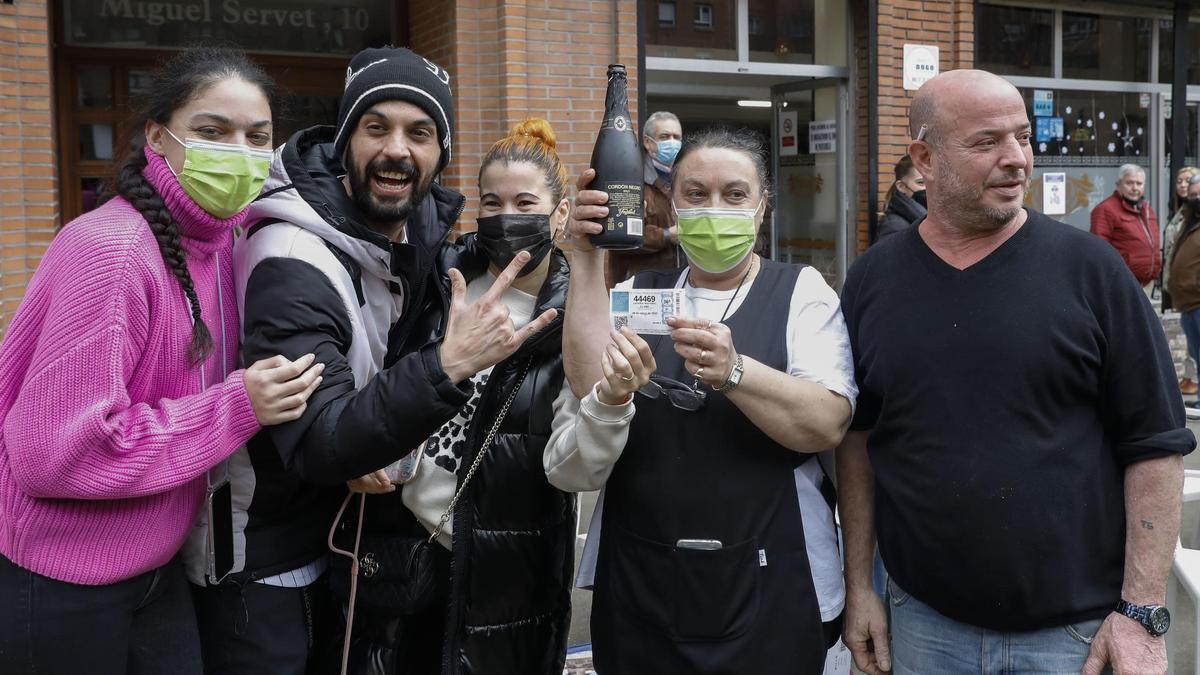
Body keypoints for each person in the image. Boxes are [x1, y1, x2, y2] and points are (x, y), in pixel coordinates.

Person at [192, 47, 556, 674]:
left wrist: (579, 265)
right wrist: (448, 365)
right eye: (376, 127)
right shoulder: (293, 259)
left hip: (342, 539)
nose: (396, 149)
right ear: (344, 142)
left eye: (420, 133)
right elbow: (323, 440)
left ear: (441, 152)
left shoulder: (414, 234)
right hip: (265, 558)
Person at [838, 69, 1194, 675]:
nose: (1017, 159)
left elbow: (1156, 446)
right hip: (922, 624)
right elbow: (858, 439)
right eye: (987, 142)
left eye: (1023, 137)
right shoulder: (873, 280)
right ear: (924, 159)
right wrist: (860, 589)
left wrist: (1141, 610)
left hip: (1076, 635)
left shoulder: (1092, 272)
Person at [0, 47, 322, 674]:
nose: (238, 152)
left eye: (257, 137)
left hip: (157, 565)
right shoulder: (112, 252)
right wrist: (236, 407)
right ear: (157, 136)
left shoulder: (225, 242)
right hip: (62, 578)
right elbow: (58, 454)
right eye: (212, 131)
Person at [556, 126, 858, 673]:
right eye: (696, 194)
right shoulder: (639, 294)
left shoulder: (801, 292)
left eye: (734, 194)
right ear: (673, 204)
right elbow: (585, 383)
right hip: (643, 577)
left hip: (771, 581)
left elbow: (827, 423)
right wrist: (583, 257)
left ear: (762, 208)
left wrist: (735, 372)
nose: (714, 209)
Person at [347, 117, 578, 674]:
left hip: (507, 570)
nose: (506, 217)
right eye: (492, 203)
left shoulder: (575, 317)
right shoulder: (437, 281)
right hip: (402, 546)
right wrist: (362, 453)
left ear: (561, 213)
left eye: (525, 203)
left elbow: (580, 459)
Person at [605, 110, 684, 286]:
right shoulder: (630, 181)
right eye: (665, 136)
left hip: (677, 285)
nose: (672, 142)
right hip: (638, 286)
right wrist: (665, 235)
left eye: (676, 137)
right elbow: (618, 235)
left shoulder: (684, 182)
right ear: (648, 142)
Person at [1090, 163, 1161, 289]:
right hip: (1123, 284)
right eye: (1129, 183)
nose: (1135, 188)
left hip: (1148, 283)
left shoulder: (1146, 209)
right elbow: (1098, 249)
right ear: (1118, 185)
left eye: (1139, 184)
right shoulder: (1105, 209)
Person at [1164, 166, 1199, 395]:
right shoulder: (1187, 218)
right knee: (1196, 354)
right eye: (1192, 195)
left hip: (1196, 299)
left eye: (1199, 194)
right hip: (1187, 301)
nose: (1195, 199)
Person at [875, 154, 925, 242]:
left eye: (932, 182)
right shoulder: (895, 227)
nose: (929, 188)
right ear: (901, 186)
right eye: (921, 182)